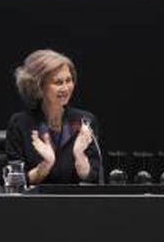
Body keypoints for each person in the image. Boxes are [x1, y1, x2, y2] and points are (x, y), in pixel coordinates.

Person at [6, 49, 101, 185]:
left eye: (69, 80)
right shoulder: (20, 123)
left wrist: (79, 155)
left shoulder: (84, 121)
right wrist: (46, 165)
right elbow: (14, 182)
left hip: (76, 203)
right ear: (39, 86)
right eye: (58, 82)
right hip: (33, 203)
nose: (66, 88)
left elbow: (93, 178)